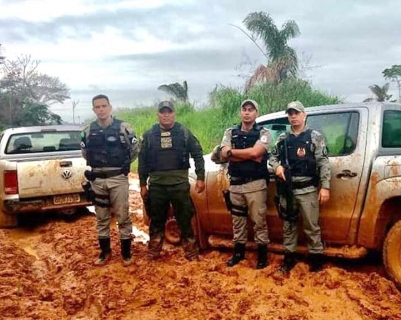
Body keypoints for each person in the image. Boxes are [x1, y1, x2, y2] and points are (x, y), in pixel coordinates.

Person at [138, 100, 206, 261]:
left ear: (174, 114)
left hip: (179, 184)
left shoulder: (183, 132)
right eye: (163, 112)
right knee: (156, 220)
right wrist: (142, 184)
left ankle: (191, 252)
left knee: (185, 219)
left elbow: (197, 153)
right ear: (158, 115)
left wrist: (201, 178)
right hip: (157, 186)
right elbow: (142, 161)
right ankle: (154, 252)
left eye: (169, 112)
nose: (166, 115)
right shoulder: (149, 135)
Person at [268, 101, 331, 273]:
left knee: (311, 226)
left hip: (308, 190)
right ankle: (289, 259)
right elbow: (272, 158)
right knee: (289, 226)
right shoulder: (283, 139)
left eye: (296, 113)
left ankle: (316, 261)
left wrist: (325, 187)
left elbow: (323, 163)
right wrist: (277, 167)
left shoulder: (314, 137)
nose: (293, 116)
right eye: (290, 113)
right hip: (288, 189)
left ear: (304, 115)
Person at [81, 94, 140, 266]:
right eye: (97, 107)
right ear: (93, 109)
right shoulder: (88, 131)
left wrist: (124, 165)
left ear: (110, 107)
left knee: (123, 215)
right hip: (97, 179)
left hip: (117, 178)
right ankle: (105, 252)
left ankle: (126, 254)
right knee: (101, 217)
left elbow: (135, 148)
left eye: (103, 106)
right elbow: (85, 153)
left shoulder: (123, 128)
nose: (101, 110)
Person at [214, 99, 271, 269]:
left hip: (255, 184)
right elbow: (224, 153)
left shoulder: (264, 132)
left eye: (251, 110)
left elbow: (257, 152)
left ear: (256, 113)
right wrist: (245, 154)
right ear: (240, 112)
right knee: (237, 221)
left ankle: (262, 257)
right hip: (236, 185)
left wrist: (233, 153)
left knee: (259, 221)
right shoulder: (230, 132)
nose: (247, 112)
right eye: (244, 109)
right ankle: (238, 254)